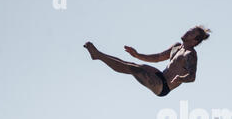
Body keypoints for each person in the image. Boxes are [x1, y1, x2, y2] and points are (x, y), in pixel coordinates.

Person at [83, 25, 211, 97]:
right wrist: (137, 55)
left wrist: (180, 78)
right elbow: (158, 57)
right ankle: (98, 55)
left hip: (163, 86)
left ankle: (98, 55)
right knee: (132, 65)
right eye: (189, 30)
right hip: (159, 75)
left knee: (134, 69)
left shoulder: (191, 54)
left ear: (195, 41)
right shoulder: (177, 46)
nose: (187, 32)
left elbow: (192, 77)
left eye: (191, 33)